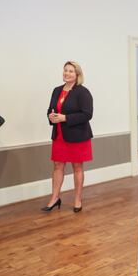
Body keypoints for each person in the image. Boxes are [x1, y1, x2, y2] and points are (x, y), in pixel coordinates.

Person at [42, 61, 93, 213]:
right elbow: (51, 109)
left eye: (71, 71)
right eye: (65, 70)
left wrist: (65, 118)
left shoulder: (83, 92)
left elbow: (87, 114)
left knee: (77, 167)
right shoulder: (57, 90)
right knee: (57, 166)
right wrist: (50, 116)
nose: (67, 73)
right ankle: (55, 198)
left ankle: (77, 199)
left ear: (77, 74)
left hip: (78, 136)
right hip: (59, 135)